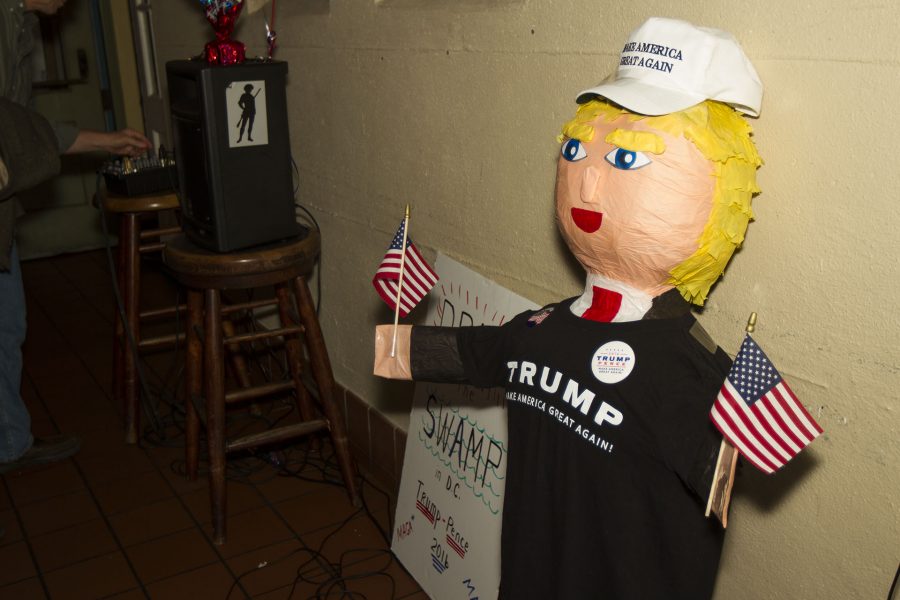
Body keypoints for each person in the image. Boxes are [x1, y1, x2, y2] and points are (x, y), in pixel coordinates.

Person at [374, 17, 763, 599]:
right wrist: (393, 343)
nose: (587, 188)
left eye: (628, 161)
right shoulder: (543, 329)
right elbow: (477, 351)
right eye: (578, 151)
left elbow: (726, 476)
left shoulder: (695, 376)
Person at [0, 0, 151, 473]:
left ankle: (9, 441)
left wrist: (107, 141)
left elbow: (26, 130)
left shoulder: (19, 23)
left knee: (8, 323)